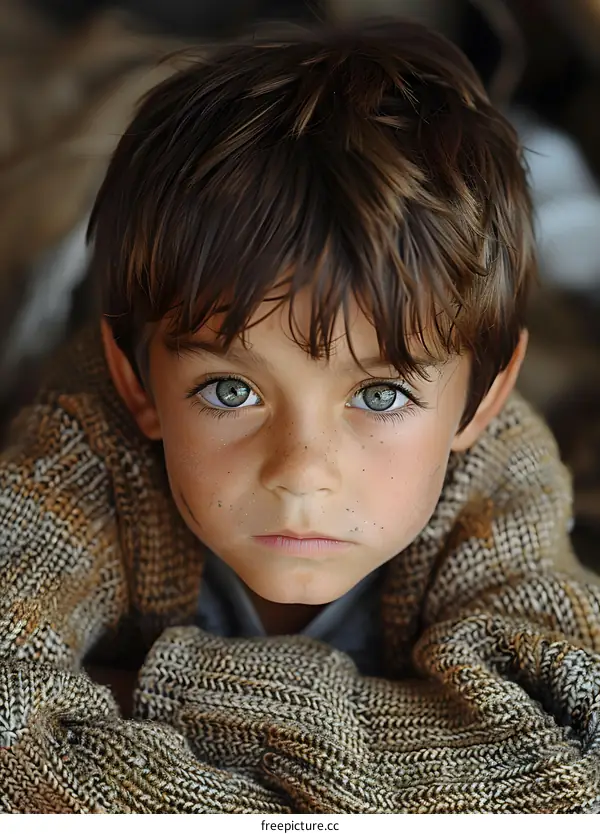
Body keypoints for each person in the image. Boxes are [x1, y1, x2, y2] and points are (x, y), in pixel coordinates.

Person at [1, 19, 599, 814]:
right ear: (139, 384)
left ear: (482, 403)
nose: (302, 472)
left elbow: (567, 750)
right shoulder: (82, 446)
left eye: (380, 396)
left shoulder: (499, 476)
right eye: (230, 391)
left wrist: (150, 686)